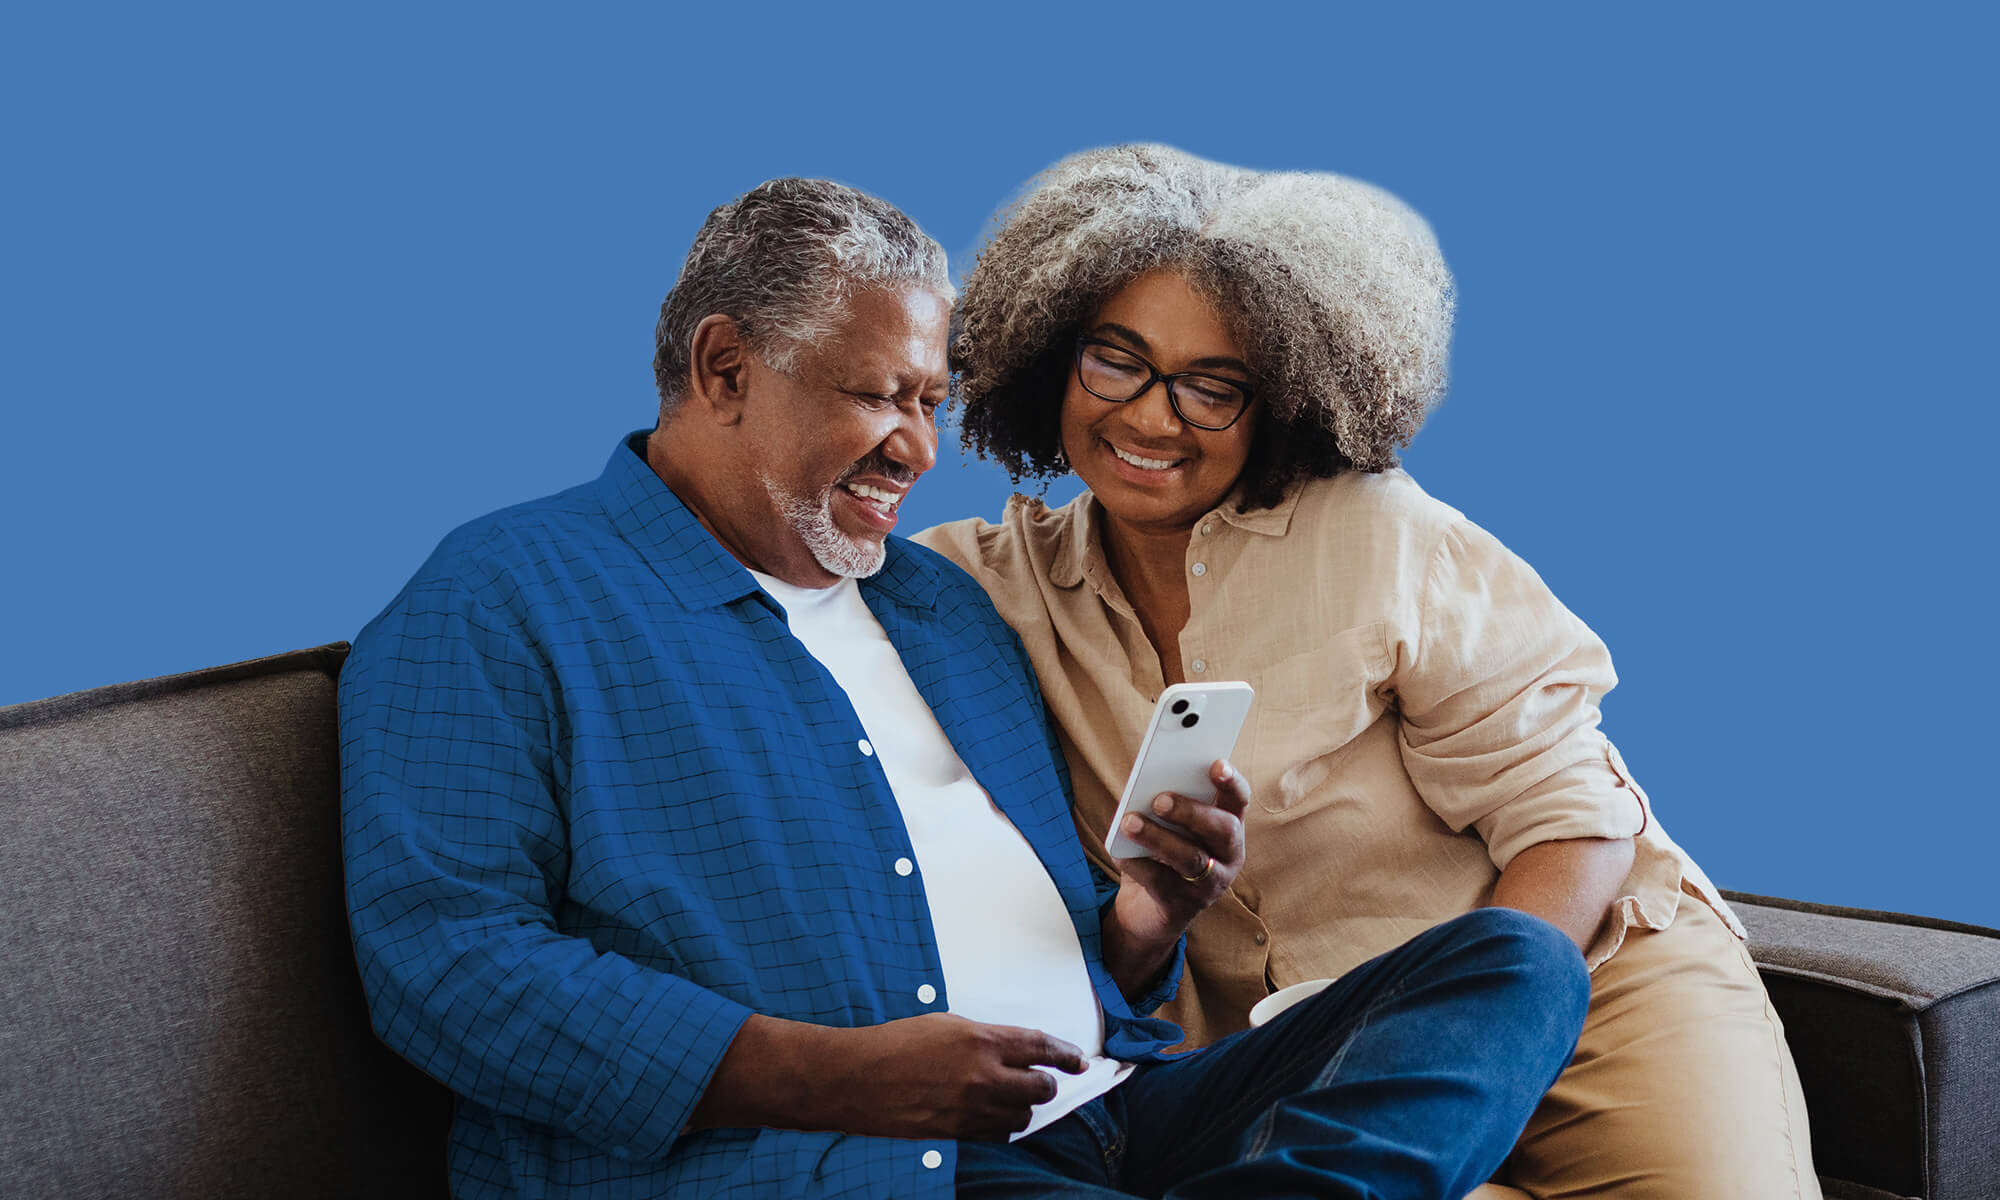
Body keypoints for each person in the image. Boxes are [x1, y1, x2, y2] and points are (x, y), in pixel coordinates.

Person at [339, 176, 1590, 1200]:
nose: (918, 449)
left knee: (1506, 968)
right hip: (858, 1163)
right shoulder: (505, 596)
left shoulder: (938, 610)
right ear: (724, 369)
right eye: (878, 395)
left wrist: (1143, 918)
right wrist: (828, 1078)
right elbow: (443, 964)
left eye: (931, 402)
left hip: (1116, 1109)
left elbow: (1044, 937)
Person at [917, 145, 1822, 1200]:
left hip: (1584, 985)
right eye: (1115, 360)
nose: (1152, 416)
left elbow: (1573, 828)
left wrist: (1470, 1047)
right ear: (1046, 355)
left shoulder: (1380, 542)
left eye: (1213, 387)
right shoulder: (976, 591)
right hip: (1306, 1054)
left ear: (1284, 403)